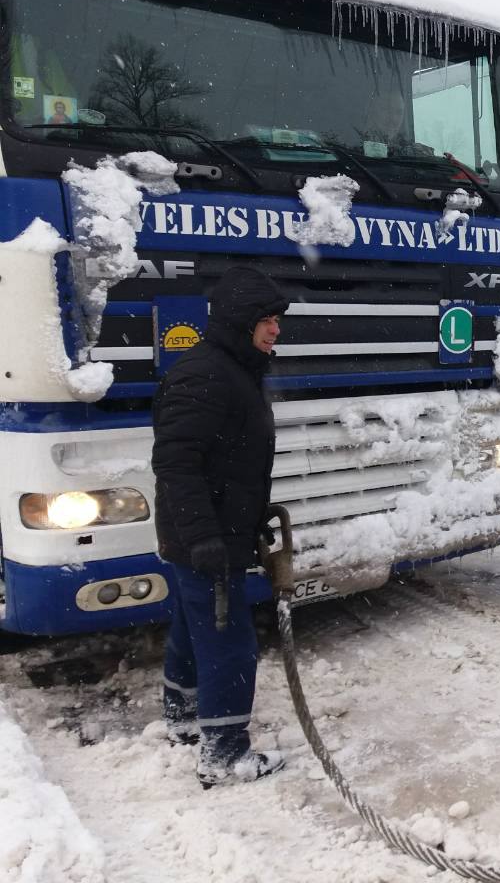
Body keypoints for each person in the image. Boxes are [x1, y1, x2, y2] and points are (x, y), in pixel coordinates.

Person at [152, 265, 290, 788]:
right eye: (266, 320)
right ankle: (225, 754)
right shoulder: (206, 376)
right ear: (238, 320)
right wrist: (204, 535)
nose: (275, 329)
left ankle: (184, 717)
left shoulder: (235, 369)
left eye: (276, 320)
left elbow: (230, 462)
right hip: (205, 537)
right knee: (229, 643)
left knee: (194, 629)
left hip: (216, 531)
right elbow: (177, 464)